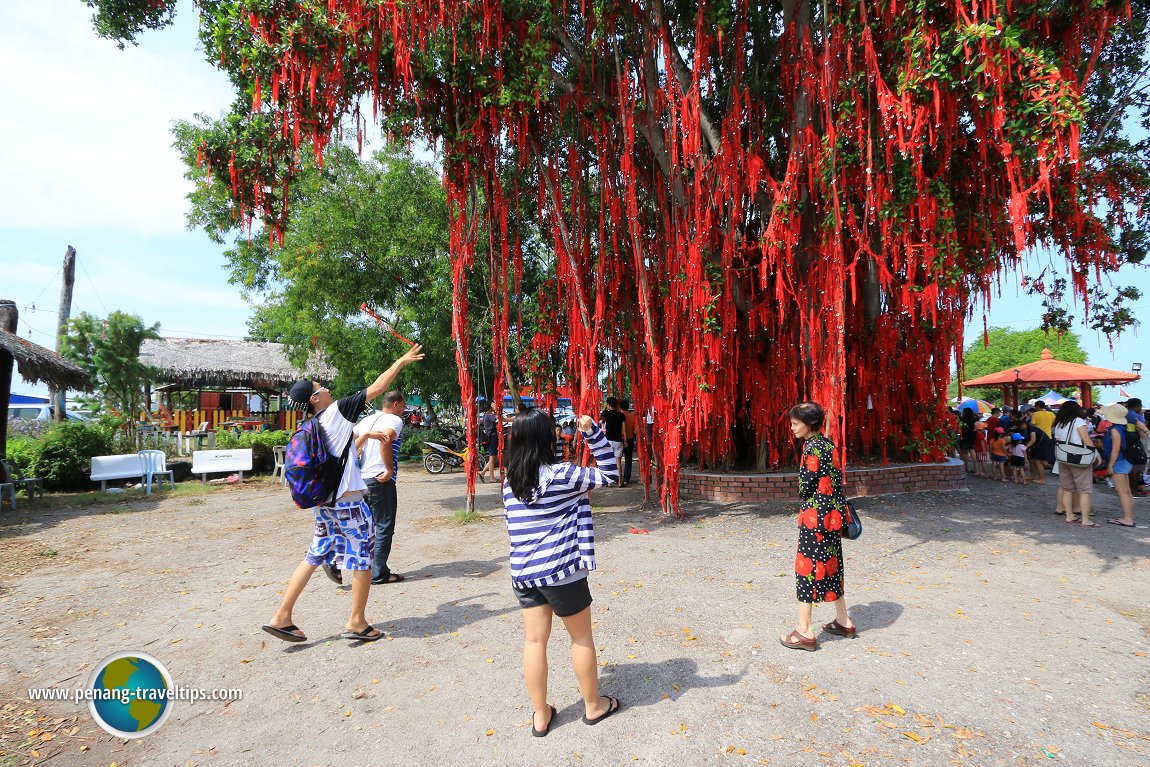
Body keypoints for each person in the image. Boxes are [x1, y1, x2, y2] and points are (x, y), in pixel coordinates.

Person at [261, 344, 424, 643]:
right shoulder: (334, 413)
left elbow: (347, 454)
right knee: (363, 555)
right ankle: (357, 622)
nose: (327, 389)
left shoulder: (312, 425)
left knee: (314, 555)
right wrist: (400, 361)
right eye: (321, 387)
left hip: (323, 504)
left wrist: (363, 437)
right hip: (347, 503)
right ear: (314, 398)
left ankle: (282, 616)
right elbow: (377, 387)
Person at [503, 409, 621, 735]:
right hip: (561, 573)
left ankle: (540, 715)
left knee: (534, 641)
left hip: (524, 574)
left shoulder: (509, 481)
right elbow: (610, 474)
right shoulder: (562, 475)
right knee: (581, 637)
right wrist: (592, 434)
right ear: (546, 439)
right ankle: (593, 705)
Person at [780, 402, 855, 651]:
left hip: (815, 519)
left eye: (795, 424)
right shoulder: (828, 443)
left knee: (807, 568)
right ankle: (844, 620)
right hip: (833, 517)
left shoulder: (811, 448)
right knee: (832, 567)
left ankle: (804, 630)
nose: (792, 428)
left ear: (809, 424)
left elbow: (806, 486)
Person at [324, 390, 406, 586]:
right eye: (402, 406)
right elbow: (386, 442)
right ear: (395, 404)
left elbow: (349, 444)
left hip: (362, 480)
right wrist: (388, 469)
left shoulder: (367, 421)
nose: (403, 410)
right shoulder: (394, 420)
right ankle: (379, 573)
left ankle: (334, 559)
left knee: (360, 527)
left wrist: (367, 436)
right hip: (380, 480)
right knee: (384, 526)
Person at [1052, 401, 1097, 526]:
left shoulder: (1059, 424)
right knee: (1084, 489)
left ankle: (1069, 515)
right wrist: (1096, 453)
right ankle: (1086, 519)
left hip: (1063, 457)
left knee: (1067, 488)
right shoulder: (1078, 421)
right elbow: (1086, 439)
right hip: (1079, 457)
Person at [1100, 404, 1137, 528]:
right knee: (1126, 491)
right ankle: (1129, 517)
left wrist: (1110, 465)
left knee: (1122, 491)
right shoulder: (1123, 427)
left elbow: (1115, 449)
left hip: (1119, 462)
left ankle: (1127, 518)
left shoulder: (1115, 430)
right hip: (1125, 460)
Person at [1122, 398, 1148, 496]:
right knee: (1136, 468)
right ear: (1139, 406)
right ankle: (1133, 490)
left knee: (1128, 467)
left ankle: (1127, 488)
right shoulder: (1138, 417)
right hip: (1135, 444)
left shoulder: (1122, 415)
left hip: (1123, 443)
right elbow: (1143, 433)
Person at [599, 397, 627, 487]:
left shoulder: (606, 414)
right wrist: (625, 440)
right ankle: (620, 482)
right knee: (618, 462)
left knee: (609, 462)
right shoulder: (621, 415)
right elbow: (624, 429)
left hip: (608, 440)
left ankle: (609, 482)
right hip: (618, 440)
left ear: (608, 405)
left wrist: (605, 407)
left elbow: (602, 414)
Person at [1025, 418, 1054, 484]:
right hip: (1038, 445)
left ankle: (1042, 479)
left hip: (1042, 445)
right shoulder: (1030, 429)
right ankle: (1033, 476)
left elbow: (1033, 440)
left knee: (1038, 461)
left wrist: (1025, 447)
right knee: (1032, 460)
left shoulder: (1031, 429)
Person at [480, 400, 500, 484]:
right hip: (492, 437)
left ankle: (483, 473)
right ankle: (491, 477)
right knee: (492, 457)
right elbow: (498, 417)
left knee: (493, 457)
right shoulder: (489, 415)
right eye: (494, 404)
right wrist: (497, 410)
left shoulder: (486, 415)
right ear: (491, 405)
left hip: (492, 437)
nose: (495, 405)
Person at [620, 398, 637, 486]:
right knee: (628, 459)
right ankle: (626, 478)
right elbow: (636, 430)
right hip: (630, 439)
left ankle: (618, 478)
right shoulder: (632, 417)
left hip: (619, 439)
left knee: (617, 459)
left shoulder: (618, 416)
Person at [958, 409, 977, 473]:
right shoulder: (975, 420)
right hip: (972, 437)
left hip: (964, 437)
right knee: (972, 452)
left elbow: (960, 428)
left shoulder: (962, 420)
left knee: (965, 453)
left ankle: (966, 468)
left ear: (965, 413)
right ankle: (976, 467)